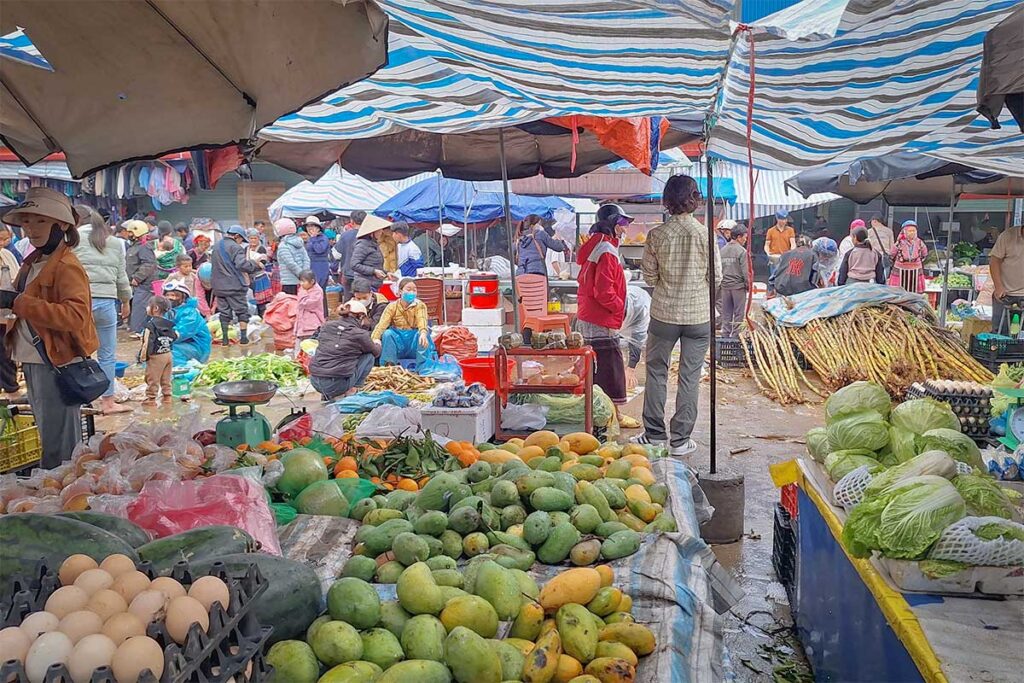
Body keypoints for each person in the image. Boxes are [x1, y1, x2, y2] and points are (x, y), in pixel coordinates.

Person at [1, 188, 99, 466]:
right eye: (28, 221)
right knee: (50, 439)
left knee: (60, 451)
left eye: (41, 221)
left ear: (63, 225)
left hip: (56, 363)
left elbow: (76, 316)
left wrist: (17, 302)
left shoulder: (66, 265)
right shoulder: (35, 261)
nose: (31, 228)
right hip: (35, 361)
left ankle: (62, 504)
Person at [634, 175, 720, 457]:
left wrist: (668, 286)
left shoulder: (656, 235)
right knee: (689, 377)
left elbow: (648, 275)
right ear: (694, 199)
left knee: (656, 372)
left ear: (667, 201)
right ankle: (681, 441)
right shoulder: (706, 234)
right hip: (698, 316)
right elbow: (716, 277)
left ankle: (655, 435)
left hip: (664, 314)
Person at [73, 205, 132, 414]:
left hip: (80, 303)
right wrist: (126, 301)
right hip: (107, 303)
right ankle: (108, 403)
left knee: (78, 354)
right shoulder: (114, 242)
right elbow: (121, 277)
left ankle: (82, 402)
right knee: (107, 355)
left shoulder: (73, 238)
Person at [577, 204, 630, 414]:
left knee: (596, 366)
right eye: (623, 223)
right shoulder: (606, 250)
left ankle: (598, 411)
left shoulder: (597, 245)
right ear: (613, 225)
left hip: (591, 314)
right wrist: (619, 307)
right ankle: (611, 413)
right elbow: (603, 291)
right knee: (610, 367)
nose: (626, 229)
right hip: (601, 317)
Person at [309, 301, 381, 401]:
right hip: (337, 384)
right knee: (369, 355)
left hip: (314, 381)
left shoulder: (326, 326)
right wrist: (377, 343)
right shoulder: (359, 334)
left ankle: (329, 393)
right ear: (360, 316)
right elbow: (376, 352)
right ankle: (352, 389)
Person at [211, 225, 260, 345]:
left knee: (224, 313)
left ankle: (225, 340)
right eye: (241, 239)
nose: (241, 242)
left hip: (218, 287)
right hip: (234, 286)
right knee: (242, 312)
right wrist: (256, 264)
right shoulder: (236, 248)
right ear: (237, 236)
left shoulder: (216, 246)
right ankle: (244, 339)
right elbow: (241, 265)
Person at [371, 278, 436, 366]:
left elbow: (422, 320)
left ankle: (423, 365)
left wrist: (423, 333)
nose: (412, 293)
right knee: (387, 333)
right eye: (408, 290)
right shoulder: (392, 306)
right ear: (400, 291)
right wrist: (375, 338)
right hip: (398, 343)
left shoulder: (420, 305)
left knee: (421, 335)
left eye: (414, 290)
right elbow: (382, 324)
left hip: (414, 342)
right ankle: (389, 364)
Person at [162, 281, 212, 366]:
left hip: (195, 345)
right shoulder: (168, 312)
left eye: (174, 295)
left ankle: (184, 371)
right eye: (167, 295)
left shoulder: (190, 313)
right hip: (177, 343)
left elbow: (181, 332)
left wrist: (160, 338)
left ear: (183, 297)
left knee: (167, 352)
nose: (170, 298)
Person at [138, 295, 176, 405]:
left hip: (156, 356)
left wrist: (143, 357)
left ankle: (151, 399)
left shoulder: (150, 325)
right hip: (168, 354)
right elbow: (175, 336)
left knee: (152, 378)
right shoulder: (169, 324)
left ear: (155, 309)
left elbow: (147, 342)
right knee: (166, 378)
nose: (147, 308)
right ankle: (167, 396)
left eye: (148, 306)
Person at [124, 219, 157, 338]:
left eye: (131, 232)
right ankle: (136, 328)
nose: (129, 235)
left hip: (143, 284)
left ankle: (139, 331)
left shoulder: (144, 247)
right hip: (135, 284)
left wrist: (137, 278)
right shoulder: (133, 247)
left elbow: (149, 264)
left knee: (140, 306)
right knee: (135, 305)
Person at [989, 224, 1024, 335]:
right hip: (1005, 294)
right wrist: (998, 287)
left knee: (1020, 336)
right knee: (1000, 332)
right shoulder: (1007, 236)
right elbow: (994, 261)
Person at [619, 286, 651, 395]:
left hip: (640, 307)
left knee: (646, 347)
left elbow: (637, 341)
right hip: (619, 305)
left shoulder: (640, 311)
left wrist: (630, 369)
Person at [719, 223, 749, 336]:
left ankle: (725, 338)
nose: (745, 240)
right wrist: (748, 285)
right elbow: (745, 272)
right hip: (738, 288)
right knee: (738, 315)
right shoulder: (742, 252)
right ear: (739, 237)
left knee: (726, 315)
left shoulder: (722, 251)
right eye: (745, 237)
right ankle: (736, 338)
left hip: (725, 288)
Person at [0, 225, 20, 393]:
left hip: (7, 313)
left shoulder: (7, 255)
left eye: (5, 239)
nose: (2, 243)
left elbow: (17, 278)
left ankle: (10, 387)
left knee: (7, 351)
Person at [350, 215, 390, 291]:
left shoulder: (373, 244)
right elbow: (354, 264)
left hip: (373, 284)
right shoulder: (362, 244)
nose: (382, 232)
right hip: (365, 286)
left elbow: (373, 264)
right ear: (372, 232)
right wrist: (373, 271)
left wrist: (386, 273)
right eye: (379, 230)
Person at [888, 220, 928, 293]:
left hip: (916, 269)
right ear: (904, 232)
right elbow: (892, 254)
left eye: (913, 231)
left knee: (915, 292)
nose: (912, 233)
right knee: (899, 292)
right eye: (910, 231)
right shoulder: (899, 243)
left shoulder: (919, 242)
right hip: (900, 269)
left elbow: (924, 253)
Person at [334, 211, 365, 300]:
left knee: (349, 301)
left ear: (352, 221)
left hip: (348, 272)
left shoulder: (345, 235)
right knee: (364, 300)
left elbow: (336, 255)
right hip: (365, 274)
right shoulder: (370, 235)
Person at [275, 218, 309, 295]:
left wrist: (301, 275)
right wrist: (304, 274)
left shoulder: (283, 245)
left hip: (289, 281)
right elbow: (306, 259)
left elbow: (290, 263)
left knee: (290, 304)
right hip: (304, 281)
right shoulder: (300, 242)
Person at [764, 210, 796, 286]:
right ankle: (774, 293)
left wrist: (792, 252)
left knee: (785, 278)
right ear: (777, 219)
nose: (783, 221)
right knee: (774, 278)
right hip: (774, 258)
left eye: (785, 219)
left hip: (786, 257)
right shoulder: (770, 231)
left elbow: (793, 243)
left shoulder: (790, 230)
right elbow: (767, 244)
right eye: (781, 219)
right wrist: (768, 253)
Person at [295, 270, 326, 347]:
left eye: (303, 281)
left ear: (312, 281)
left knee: (311, 345)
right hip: (302, 322)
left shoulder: (317, 291)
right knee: (301, 345)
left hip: (312, 323)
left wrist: (303, 295)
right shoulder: (303, 289)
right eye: (300, 281)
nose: (301, 284)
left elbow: (307, 304)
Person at [246, 228, 272, 316]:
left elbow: (262, 264)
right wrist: (255, 262)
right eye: (251, 238)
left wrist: (250, 264)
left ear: (258, 239)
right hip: (249, 279)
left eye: (255, 238)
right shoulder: (246, 249)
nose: (253, 240)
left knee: (262, 303)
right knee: (252, 301)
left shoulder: (261, 249)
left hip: (260, 279)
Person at [304, 216, 332, 292]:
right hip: (311, 266)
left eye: (312, 226)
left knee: (319, 290)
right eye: (308, 226)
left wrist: (313, 238)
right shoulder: (310, 239)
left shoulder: (323, 238)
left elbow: (319, 249)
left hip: (320, 267)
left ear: (318, 228)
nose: (309, 228)